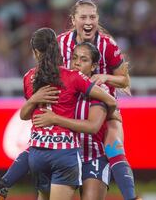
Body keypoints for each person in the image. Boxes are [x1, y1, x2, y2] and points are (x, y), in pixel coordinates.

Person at [0, 27, 116, 200]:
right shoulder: (73, 76)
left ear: (35, 52)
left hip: (38, 153)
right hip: (65, 152)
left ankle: (3, 184)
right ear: (57, 48)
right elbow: (110, 100)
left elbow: (24, 115)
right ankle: (3, 184)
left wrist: (34, 99)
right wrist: (112, 115)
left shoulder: (29, 77)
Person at [57, 0, 139, 200]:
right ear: (73, 19)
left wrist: (106, 77)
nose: (88, 21)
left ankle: (132, 197)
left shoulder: (107, 44)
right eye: (83, 17)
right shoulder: (60, 43)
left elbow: (124, 80)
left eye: (92, 17)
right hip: (71, 110)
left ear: (97, 19)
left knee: (113, 145)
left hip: (102, 108)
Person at [33, 42, 111, 200]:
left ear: (94, 66)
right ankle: (4, 182)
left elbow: (93, 127)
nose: (77, 63)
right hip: (63, 155)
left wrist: (55, 119)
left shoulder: (100, 90)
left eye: (84, 60)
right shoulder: (61, 84)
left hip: (91, 157)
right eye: (74, 58)